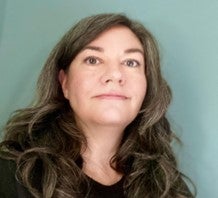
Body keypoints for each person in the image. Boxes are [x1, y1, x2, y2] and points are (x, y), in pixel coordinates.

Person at [0, 13, 195, 198]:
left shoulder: (170, 188)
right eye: (93, 60)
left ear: (147, 85)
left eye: (131, 62)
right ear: (64, 82)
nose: (115, 74)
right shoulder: (10, 172)